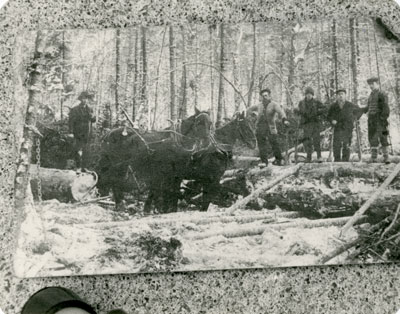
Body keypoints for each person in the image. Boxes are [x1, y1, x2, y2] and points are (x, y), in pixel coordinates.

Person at [248, 88, 289, 166]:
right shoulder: (259, 105)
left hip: (270, 127)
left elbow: (281, 112)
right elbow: (249, 110)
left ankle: (279, 160)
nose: (264, 97)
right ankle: (264, 162)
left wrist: (284, 120)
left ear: (269, 96)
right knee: (261, 145)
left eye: (266, 95)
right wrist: (252, 116)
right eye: (263, 96)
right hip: (260, 127)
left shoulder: (274, 104)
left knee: (274, 143)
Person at [327, 89, 362, 162]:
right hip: (337, 127)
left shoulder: (350, 105)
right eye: (339, 94)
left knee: (346, 144)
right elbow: (328, 116)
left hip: (347, 127)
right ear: (337, 96)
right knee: (337, 144)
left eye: (342, 94)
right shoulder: (334, 106)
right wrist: (332, 120)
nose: (340, 96)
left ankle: (345, 160)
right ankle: (337, 160)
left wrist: (354, 118)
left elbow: (359, 111)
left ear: (345, 95)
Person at [362, 77, 390, 163]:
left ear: (377, 84)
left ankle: (386, 157)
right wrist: (360, 110)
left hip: (381, 120)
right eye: (370, 84)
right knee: (372, 138)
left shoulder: (382, 94)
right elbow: (369, 107)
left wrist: (382, 118)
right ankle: (374, 158)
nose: (371, 86)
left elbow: (386, 108)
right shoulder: (371, 95)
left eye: (372, 84)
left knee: (383, 137)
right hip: (371, 120)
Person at [296, 86, 325, 162]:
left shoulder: (316, 102)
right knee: (307, 141)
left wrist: (317, 112)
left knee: (316, 140)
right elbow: (299, 112)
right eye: (307, 94)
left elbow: (324, 108)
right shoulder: (301, 103)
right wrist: (297, 111)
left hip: (315, 123)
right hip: (306, 124)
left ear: (312, 95)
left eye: (310, 94)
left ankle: (319, 156)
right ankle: (309, 157)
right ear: (305, 95)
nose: (309, 95)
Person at [68, 91, 96, 169]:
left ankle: (85, 167)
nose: (85, 100)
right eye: (84, 98)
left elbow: (93, 120)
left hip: (87, 133)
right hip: (78, 133)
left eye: (87, 99)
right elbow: (71, 121)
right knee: (78, 150)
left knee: (86, 151)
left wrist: (92, 116)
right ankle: (78, 167)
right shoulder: (75, 109)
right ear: (81, 99)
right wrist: (71, 132)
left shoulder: (90, 109)